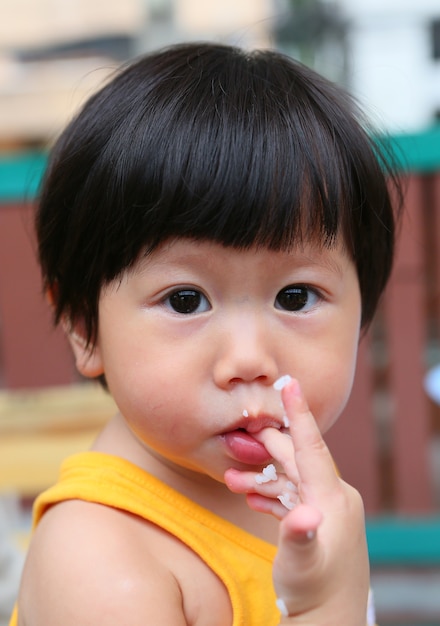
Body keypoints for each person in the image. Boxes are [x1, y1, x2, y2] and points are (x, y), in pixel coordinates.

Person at [10, 41, 400, 625]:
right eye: (186, 300)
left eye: (295, 297)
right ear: (85, 327)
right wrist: (327, 607)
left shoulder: (299, 492)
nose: (248, 360)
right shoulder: (98, 558)